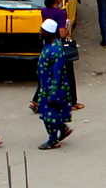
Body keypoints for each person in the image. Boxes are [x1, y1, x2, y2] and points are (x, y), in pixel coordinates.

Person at [30, 19, 75, 148]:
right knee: (51, 113)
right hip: (46, 86)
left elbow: (57, 73)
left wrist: (53, 93)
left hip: (54, 87)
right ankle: (63, 129)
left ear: (48, 33)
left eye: (42, 31)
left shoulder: (56, 50)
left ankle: (53, 140)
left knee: (47, 114)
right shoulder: (48, 45)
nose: (40, 33)